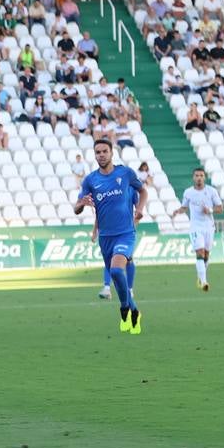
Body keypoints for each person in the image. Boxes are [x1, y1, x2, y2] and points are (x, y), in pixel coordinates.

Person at [74, 138, 147, 334]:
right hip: (105, 237)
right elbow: (77, 208)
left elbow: (143, 190)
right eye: (97, 152)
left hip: (125, 233)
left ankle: (124, 308)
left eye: (104, 151)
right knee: (116, 277)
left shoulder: (125, 173)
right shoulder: (90, 180)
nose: (101, 155)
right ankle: (134, 311)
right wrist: (80, 205)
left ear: (111, 152)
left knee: (116, 271)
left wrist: (139, 209)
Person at [172, 168, 224, 291]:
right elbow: (184, 207)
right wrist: (178, 211)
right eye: (197, 175)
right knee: (200, 252)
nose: (199, 178)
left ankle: (200, 277)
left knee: (206, 254)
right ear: (193, 178)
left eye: (201, 175)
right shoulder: (188, 192)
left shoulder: (211, 191)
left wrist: (210, 210)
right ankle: (204, 282)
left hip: (209, 227)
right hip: (196, 227)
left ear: (204, 177)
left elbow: (220, 208)